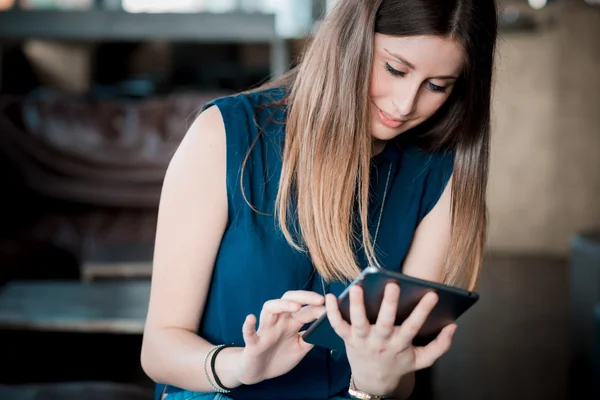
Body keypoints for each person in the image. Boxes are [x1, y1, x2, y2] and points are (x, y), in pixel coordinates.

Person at [140, 0, 498, 399]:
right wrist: (242, 365)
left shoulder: (438, 172)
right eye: (395, 69)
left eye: (437, 86)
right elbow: (159, 349)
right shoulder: (224, 134)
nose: (405, 104)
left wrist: (374, 380)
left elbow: (397, 385)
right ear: (350, 41)